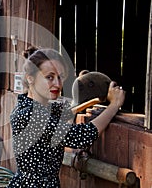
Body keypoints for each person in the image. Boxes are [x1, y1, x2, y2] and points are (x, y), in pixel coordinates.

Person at [7, 47, 125, 188]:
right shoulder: (31, 115)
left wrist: (95, 99)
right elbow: (82, 136)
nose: (57, 84)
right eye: (49, 77)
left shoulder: (32, 107)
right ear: (30, 78)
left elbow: (64, 111)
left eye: (60, 77)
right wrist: (114, 105)